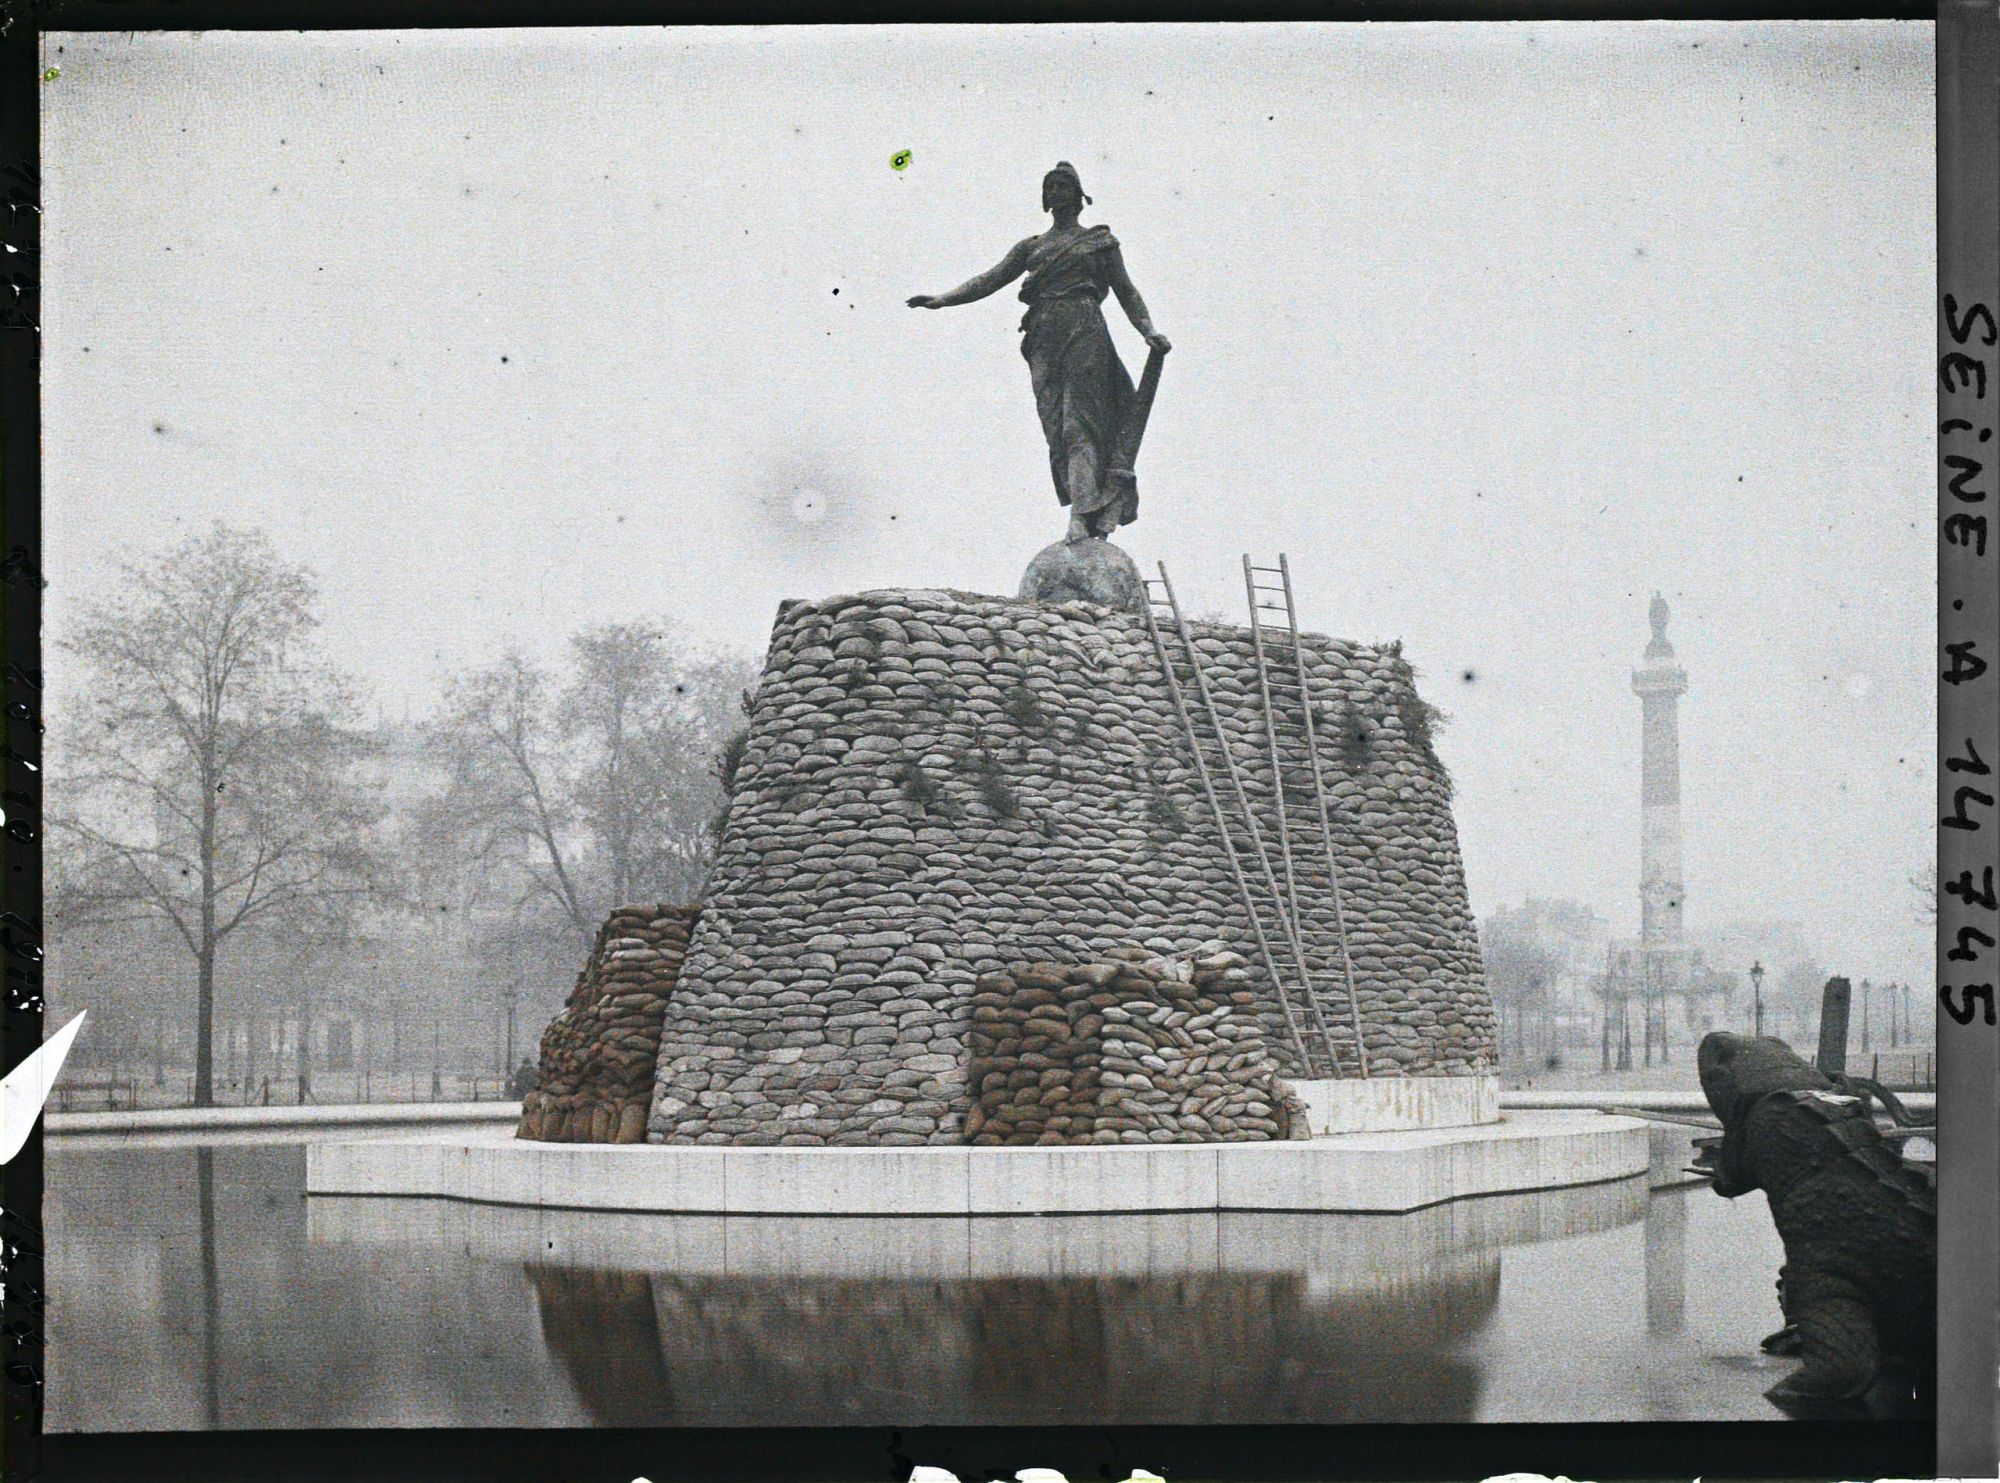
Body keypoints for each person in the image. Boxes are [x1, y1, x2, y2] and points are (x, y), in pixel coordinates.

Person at [909, 162, 1170, 543]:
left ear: (1080, 196)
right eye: (1051, 186)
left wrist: (1148, 330)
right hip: (1043, 338)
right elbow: (990, 278)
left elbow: (1126, 291)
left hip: (1084, 329)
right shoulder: (1032, 247)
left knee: (1078, 424)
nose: (1057, 191)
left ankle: (1084, 515)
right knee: (1056, 430)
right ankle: (1085, 506)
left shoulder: (1099, 242)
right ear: (1044, 198)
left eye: (1065, 184)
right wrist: (943, 299)